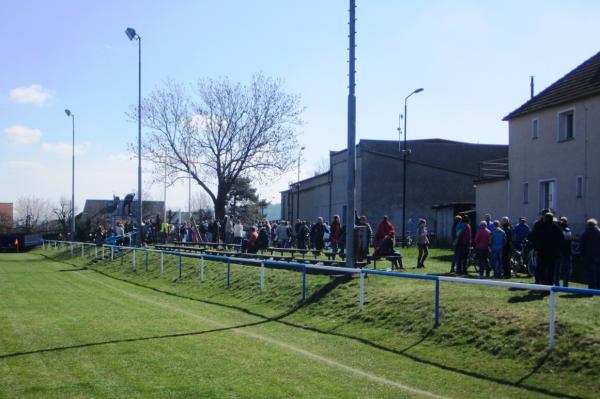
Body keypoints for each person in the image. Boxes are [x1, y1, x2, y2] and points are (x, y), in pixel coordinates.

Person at [534, 212, 564, 285]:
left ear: (545, 218)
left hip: (543, 252)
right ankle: (549, 286)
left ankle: (543, 285)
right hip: (554, 253)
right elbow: (561, 240)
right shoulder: (557, 228)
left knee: (542, 270)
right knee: (551, 271)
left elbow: (534, 236)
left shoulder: (541, 227)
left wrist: (536, 246)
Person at [579, 218, 600, 290]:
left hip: (589, 256)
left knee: (591, 273)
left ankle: (592, 287)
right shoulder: (599, 232)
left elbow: (582, 245)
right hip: (598, 256)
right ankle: (598, 287)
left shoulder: (586, 233)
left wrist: (581, 254)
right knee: (598, 272)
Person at [556, 217, 573, 287]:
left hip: (561, 252)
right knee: (566, 270)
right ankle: (565, 284)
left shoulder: (559, 230)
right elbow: (569, 239)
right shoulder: (567, 230)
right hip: (567, 252)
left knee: (558, 269)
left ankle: (557, 283)